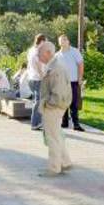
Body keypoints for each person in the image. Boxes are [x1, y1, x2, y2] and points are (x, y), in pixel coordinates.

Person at [37, 41, 73, 177]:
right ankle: (64, 162)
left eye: (39, 53)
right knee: (57, 135)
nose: (38, 56)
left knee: (51, 137)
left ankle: (54, 168)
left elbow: (58, 91)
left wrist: (48, 105)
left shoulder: (56, 67)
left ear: (48, 53)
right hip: (57, 106)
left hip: (54, 107)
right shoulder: (53, 65)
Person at [55, 35, 85, 131]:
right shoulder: (57, 55)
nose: (62, 42)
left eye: (64, 40)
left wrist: (80, 77)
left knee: (74, 103)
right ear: (59, 43)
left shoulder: (74, 51)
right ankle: (64, 123)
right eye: (60, 41)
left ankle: (76, 124)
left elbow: (80, 64)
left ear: (68, 41)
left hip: (73, 81)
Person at [27, 34, 47, 130]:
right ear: (42, 41)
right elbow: (38, 65)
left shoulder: (31, 50)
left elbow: (30, 64)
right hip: (37, 78)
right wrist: (43, 75)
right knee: (38, 101)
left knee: (38, 100)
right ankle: (35, 123)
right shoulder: (36, 51)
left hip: (31, 77)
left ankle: (38, 122)